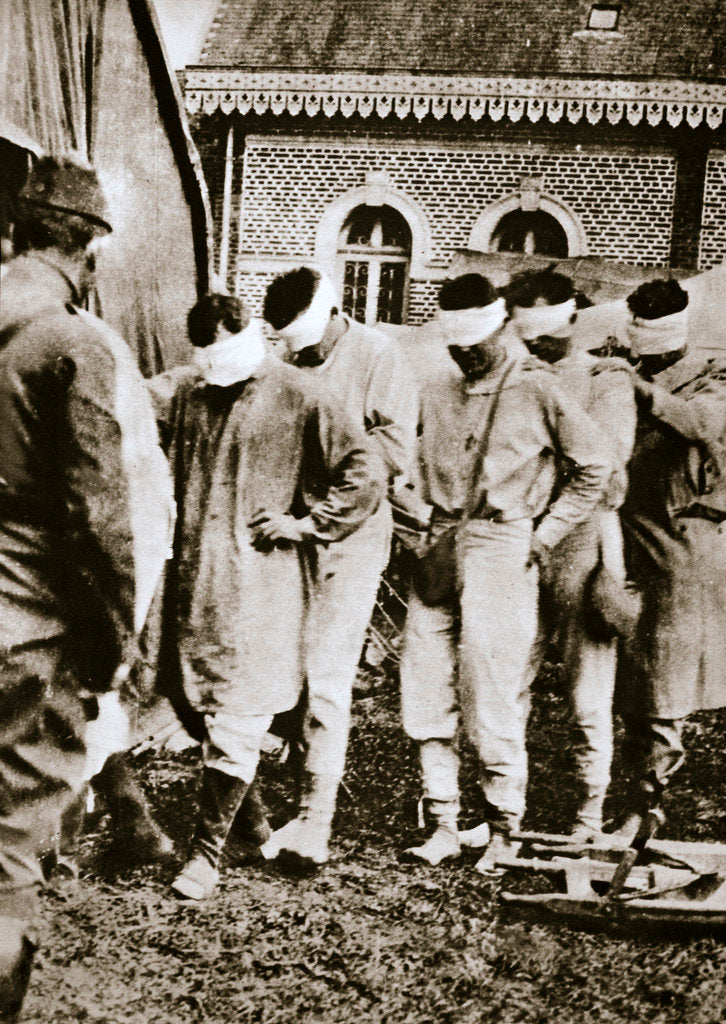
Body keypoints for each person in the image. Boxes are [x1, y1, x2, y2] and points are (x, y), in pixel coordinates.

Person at [0, 154, 173, 1020]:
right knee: (5, 869)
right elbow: (102, 521)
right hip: (23, 633)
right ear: (91, 253)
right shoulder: (75, 343)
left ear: (16, 236)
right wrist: (112, 652)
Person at [152, 293, 383, 900]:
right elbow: (129, 408)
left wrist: (307, 524)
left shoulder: (300, 392)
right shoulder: (189, 391)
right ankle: (253, 825)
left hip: (262, 583)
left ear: (248, 338)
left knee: (239, 708)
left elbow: (364, 468)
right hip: (195, 577)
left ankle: (205, 857)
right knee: (192, 698)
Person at [399, 273, 610, 869]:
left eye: (476, 346)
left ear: (499, 331)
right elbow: (409, 452)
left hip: (503, 545)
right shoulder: (437, 384)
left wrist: (544, 535)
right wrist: (415, 513)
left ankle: (503, 829)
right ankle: (442, 818)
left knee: (491, 693)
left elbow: (592, 465)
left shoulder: (536, 387)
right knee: (426, 684)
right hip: (440, 541)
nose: (465, 356)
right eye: (455, 346)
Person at [259, 267, 417, 868]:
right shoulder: (288, 363)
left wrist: (328, 484)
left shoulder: (379, 356)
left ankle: (314, 822)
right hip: (289, 536)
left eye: (313, 347)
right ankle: (280, 803)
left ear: (332, 315)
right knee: (281, 672)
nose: (309, 358)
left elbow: (394, 453)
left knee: (326, 680)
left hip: (350, 535)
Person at [507, 268, 637, 839]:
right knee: (509, 681)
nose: (536, 345)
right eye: (526, 333)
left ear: (571, 319)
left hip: (584, 544)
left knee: (589, 694)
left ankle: (588, 813)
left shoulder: (605, 380)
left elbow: (605, 477)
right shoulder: (513, 377)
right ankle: (504, 810)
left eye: (545, 333)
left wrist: (550, 392)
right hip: (521, 542)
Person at [616, 278, 726, 834]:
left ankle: (647, 807)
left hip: (679, 546)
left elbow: (701, 423)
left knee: (663, 684)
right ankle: (629, 796)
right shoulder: (624, 371)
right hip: (625, 539)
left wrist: (639, 391)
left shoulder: (712, 380)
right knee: (629, 683)